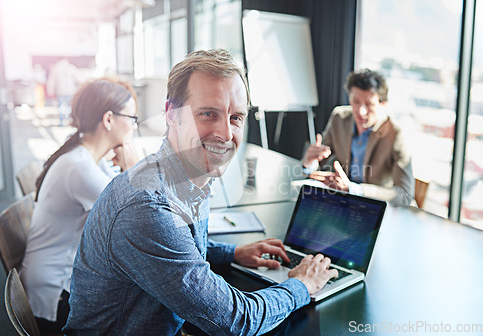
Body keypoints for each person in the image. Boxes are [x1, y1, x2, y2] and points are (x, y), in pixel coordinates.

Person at [64, 49, 338, 336]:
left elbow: (177, 248)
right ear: (172, 114)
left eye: (236, 118)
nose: (225, 134)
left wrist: (233, 253)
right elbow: (237, 320)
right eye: (208, 114)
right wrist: (301, 285)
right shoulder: (146, 207)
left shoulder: (186, 174)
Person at [20, 77, 140, 335]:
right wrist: (133, 169)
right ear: (109, 120)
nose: (133, 127)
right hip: (55, 297)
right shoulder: (79, 167)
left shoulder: (87, 157)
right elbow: (138, 217)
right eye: (131, 118)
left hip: (58, 281)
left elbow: (124, 203)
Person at [302, 69, 414, 206]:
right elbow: (321, 163)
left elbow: (405, 194)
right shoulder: (339, 118)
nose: (361, 111)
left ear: (383, 104)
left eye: (369, 104)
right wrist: (309, 163)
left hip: (377, 210)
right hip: (345, 205)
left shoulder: (396, 134)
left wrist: (353, 189)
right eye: (356, 102)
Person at [47, 58, 80, 126]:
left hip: (60, 91)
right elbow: (77, 79)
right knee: (70, 106)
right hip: (70, 91)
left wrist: (50, 91)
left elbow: (51, 81)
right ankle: (69, 120)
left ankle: (62, 122)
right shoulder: (71, 67)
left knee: (61, 106)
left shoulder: (55, 68)